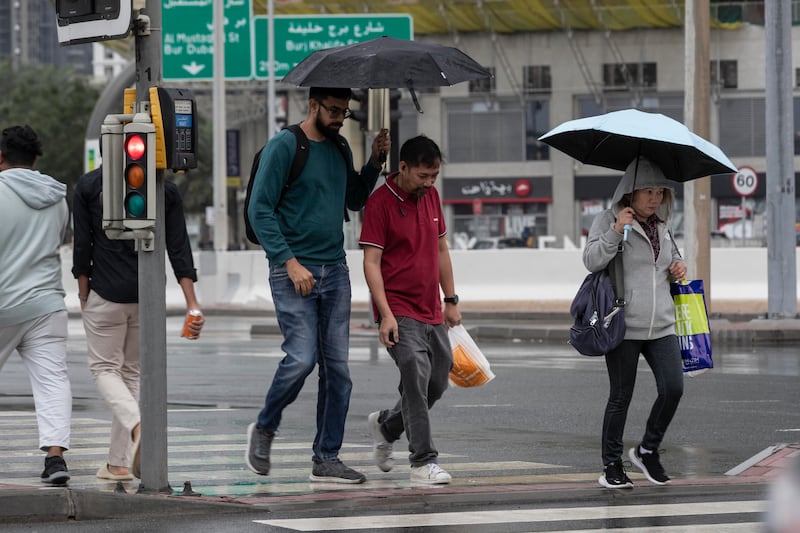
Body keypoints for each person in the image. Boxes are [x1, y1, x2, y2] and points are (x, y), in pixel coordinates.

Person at [245, 86, 390, 484]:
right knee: (301, 359)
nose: (340, 118)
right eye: (333, 110)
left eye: (345, 112)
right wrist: (289, 263)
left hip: (334, 270)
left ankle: (326, 456)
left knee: (339, 372)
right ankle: (265, 427)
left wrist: (376, 160)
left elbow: (356, 199)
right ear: (312, 105)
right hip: (293, 271)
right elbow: (260, 209)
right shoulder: (285, 146)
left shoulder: (341, 147)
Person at [72, 166, 204, 481]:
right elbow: (179, 247)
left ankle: (138, 426)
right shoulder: (164, 190)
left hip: (105, 293)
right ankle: (118, 463)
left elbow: (83, 245)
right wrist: (192, 304)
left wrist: (82, 293)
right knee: (130, 373)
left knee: (104, 369)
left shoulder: (90, 185)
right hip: (147, 296)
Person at [359, 135, 461, 485]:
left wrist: (451, 300)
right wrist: (384, 313)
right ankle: (422, 461)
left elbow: (442, 250)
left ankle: (387, 426)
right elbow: (371, 262)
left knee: (437, 382)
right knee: (415, 380)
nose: (429, 183)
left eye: (434, 176)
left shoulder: (431, 196)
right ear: (402, 167)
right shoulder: (379, 203)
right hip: (398, 309)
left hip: (431, 307)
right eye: (423, 176)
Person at [583, 156, 687, 489]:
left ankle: (647, 449)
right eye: (648, 192)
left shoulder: (662, 225)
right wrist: (615, 231)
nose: (655, 198)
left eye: (660, 192)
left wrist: (679, 267)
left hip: (663, 325)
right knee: (621, 396)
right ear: (629, 192)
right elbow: (591, 260)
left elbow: (670, 260)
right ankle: (611, 464)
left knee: (673, 388)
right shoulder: (607, 219)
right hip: (623, 324)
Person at [0, 125, 72, 485]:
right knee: (52, 381)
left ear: (1, 156)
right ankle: (55, 459)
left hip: (4, 303)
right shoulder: (56, 196)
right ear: (35, 158)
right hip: (47, 303)